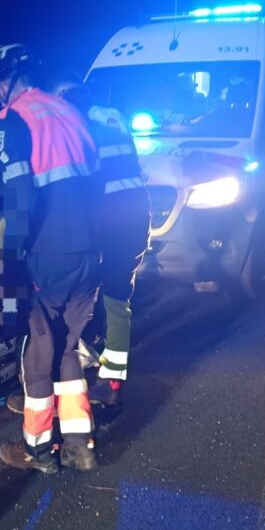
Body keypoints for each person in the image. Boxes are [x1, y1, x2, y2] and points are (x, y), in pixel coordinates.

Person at [0, 43, 101, 474]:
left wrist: (8, 257)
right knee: (69, 348)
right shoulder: (69, 111)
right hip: (90, 250)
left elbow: (16, 194)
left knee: (39, 349)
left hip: (46, 253)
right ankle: (80, 445)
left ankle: (38, 450)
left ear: (5, 82)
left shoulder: (11, 120)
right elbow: (96, 179)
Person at [49, 72, 151, 407]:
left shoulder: (76, 124)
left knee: (80, 291)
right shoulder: (112, 115)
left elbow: (79, 180)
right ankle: (111, 379)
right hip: (137, 217)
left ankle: (88, 372)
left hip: (107, 221)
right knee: (118, 297)